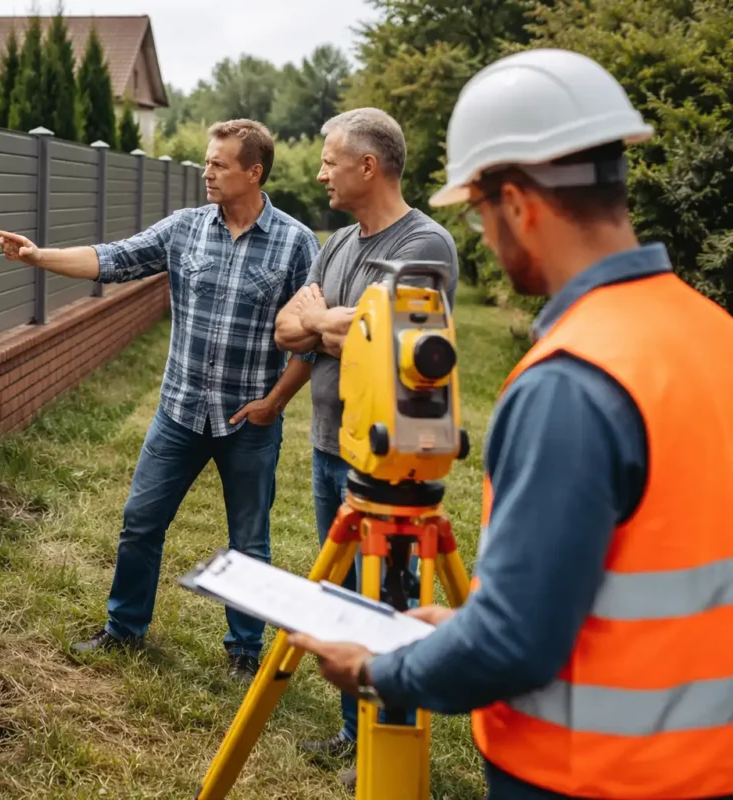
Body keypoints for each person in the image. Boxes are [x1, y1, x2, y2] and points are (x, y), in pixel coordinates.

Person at [289, 48, 733, 800]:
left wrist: (377, 670)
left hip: (585, 773)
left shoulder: (574, 380)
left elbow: (512, 643)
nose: (487, 240)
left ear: (520, 206)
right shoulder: (714, 333)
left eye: (482, 215)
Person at [0, 119, 320, 681]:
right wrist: (39, 257)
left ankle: (244, 649)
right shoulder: (184, 228)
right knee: (141, 522)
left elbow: (310, 338)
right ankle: (124, 628)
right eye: (207, 161)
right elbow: (113, 258)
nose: (206, 172)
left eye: (218, 164)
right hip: (180, 411)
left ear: (253, 172)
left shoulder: (296, 243)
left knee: (249, 542)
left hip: (250, 421)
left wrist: (273, 403)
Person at [272, 107, 458, 776]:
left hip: (392, 465)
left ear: (368, 166)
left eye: (330, 161)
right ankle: (355, 732)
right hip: (332, 445)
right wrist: (332, 322)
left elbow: (376, 332)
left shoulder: (426, 244)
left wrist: (322, 320)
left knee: (389, 608)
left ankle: (390, 749)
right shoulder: (339, 243)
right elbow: (286, 329)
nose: (321, 173)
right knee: (346, 598)